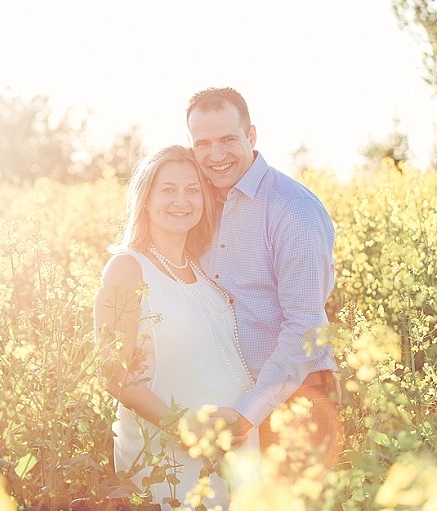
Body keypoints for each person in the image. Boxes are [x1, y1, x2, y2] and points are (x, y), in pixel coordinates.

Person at [95, 145, 259, 510]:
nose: (181, 200)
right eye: (168, 189)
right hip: (169, 459)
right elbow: (112, 372)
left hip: (232, 447)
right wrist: (182, 427)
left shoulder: (204, 268)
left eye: (192, 190)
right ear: (146, 198)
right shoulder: (128, 267)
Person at [185, 87, 340, 464]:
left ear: (251, 136)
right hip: (228, 401)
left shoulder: (294, 210)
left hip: (297, 398)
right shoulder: (196, 203)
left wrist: (247, 413)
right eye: (203, 143)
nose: (216, 155)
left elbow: (305, 328)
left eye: (228, 139)